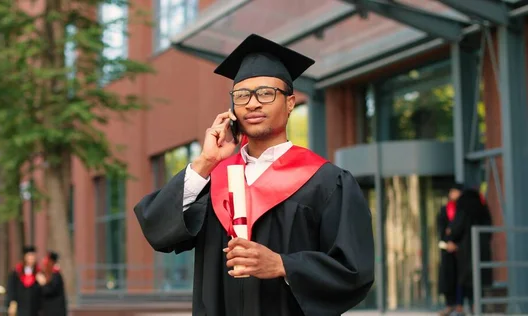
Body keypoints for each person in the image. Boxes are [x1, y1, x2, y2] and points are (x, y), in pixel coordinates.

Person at [134, 34, 375, 316]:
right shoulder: (213, 180)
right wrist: (206, 161)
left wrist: (283, 265)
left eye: (266, 93)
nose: (252, 103)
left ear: (290, 103)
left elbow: (354, 270)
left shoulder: (326, 182)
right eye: (242, 95)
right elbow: (157, 229)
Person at [447, 188, 493, 314]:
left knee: (466, 280)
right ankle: (478, 307)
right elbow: (489, 227)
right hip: (482, 249)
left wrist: (451, 236)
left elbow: (457, 227)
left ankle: (466, 307)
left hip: (466, 250)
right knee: (480, 279)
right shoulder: (481, 207)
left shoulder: (462, 207)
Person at [437, 183, 464, 315]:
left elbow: (463, 229)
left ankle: (460, 304)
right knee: (448, 277)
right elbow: (441, 230)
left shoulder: (463, 210)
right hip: (447, 250)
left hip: (461, 250)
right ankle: (449, 305)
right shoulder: (444, 210)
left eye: (456, 191)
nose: (454, 194)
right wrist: (448, 242)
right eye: (452, 191)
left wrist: (457, 243)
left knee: (461, 278)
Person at [6, 245, 41, 316]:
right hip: (20, 306)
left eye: (33, 256)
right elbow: (11, 288)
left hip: (34, 308)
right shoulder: (17, 272)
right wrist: (12, 302)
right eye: (29, 256)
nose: (31, 258)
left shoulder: (38, 273)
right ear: (25, 257)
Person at [36, 251, 67, 316]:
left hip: (55, 312)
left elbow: (49, 291)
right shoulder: (49, 274)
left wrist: (43, 283)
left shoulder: (55, 275)